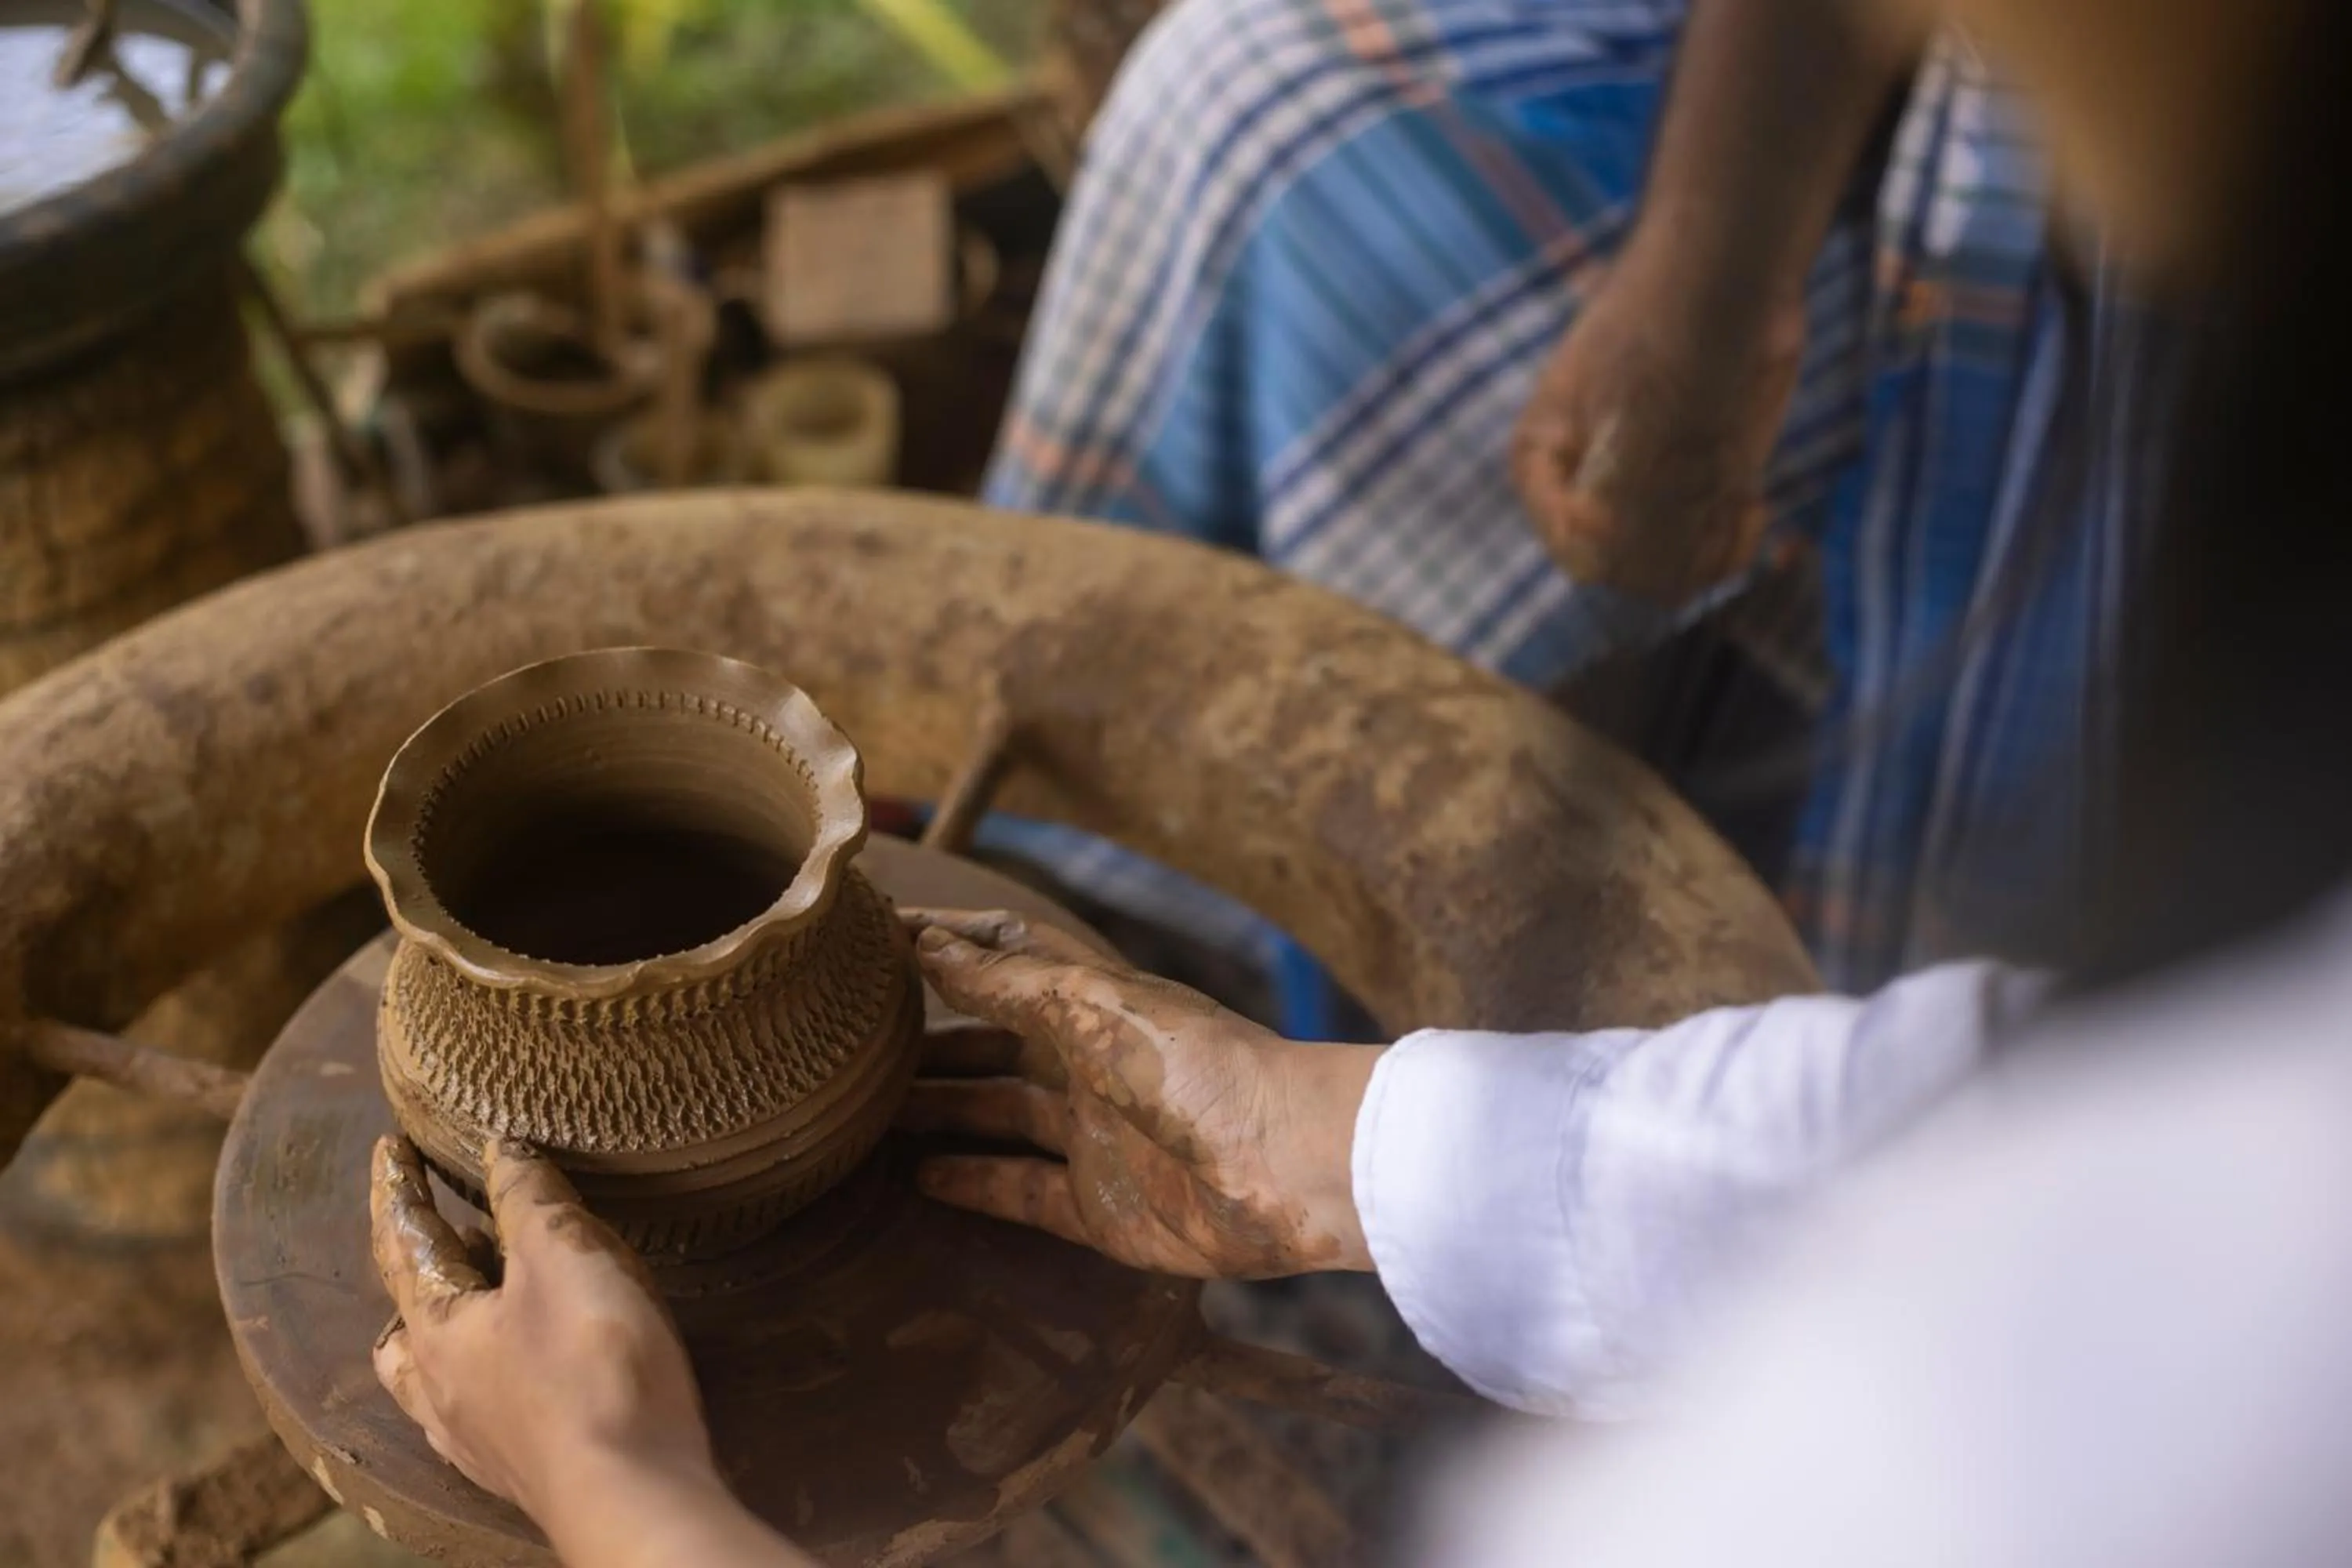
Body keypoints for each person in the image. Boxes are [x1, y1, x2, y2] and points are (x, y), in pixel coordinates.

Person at [367, 0, 2352, 1559]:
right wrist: (1344, 1144)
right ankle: (1216, 949)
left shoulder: (2030, 1427)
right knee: (1240, 98)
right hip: (1890, 162)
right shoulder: (2184, 1136)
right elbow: (1935, 1119)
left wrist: (620, 1483)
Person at [982, 0, 2163, 996]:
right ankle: (1112, 866)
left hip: (2120, 156)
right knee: (1240, 96)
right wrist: (1708, 269)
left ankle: (1441, 1010)